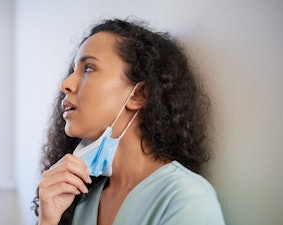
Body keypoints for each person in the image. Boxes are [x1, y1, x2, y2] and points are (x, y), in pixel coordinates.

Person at [33, 18, 225, 225]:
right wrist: (48, 220)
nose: (65, 84)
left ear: (139, 94)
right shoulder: (83, 198)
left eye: (88, 68)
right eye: (73, 70)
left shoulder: (187, 199)